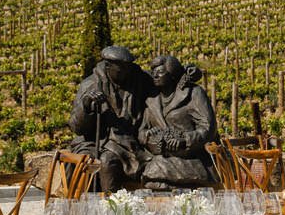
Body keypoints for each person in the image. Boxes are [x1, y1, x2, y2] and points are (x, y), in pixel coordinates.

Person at [67, 45, 149, 192]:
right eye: (121, 69)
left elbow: (165, 80)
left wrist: (185, 74)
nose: (126, 72)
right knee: (96, 161)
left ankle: (116, 205)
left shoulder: (140, 80)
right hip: (95, 141)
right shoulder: (90, 85)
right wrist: (86, 107)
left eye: (128, 68)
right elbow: (77, 127)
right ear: (107, 66)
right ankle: (99, 205)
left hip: (130, 140)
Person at [139, 53, 219, 187]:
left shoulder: (193, 93)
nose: (155, 76)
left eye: (160, 72)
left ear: (172, 74)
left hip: (193, 159)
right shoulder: (151, 100)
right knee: (153, 179)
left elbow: (208, 127)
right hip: (161, 158)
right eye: (153, 72)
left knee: (156, 176)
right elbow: (142, 131)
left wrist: (185, 140)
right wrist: (151, 140)